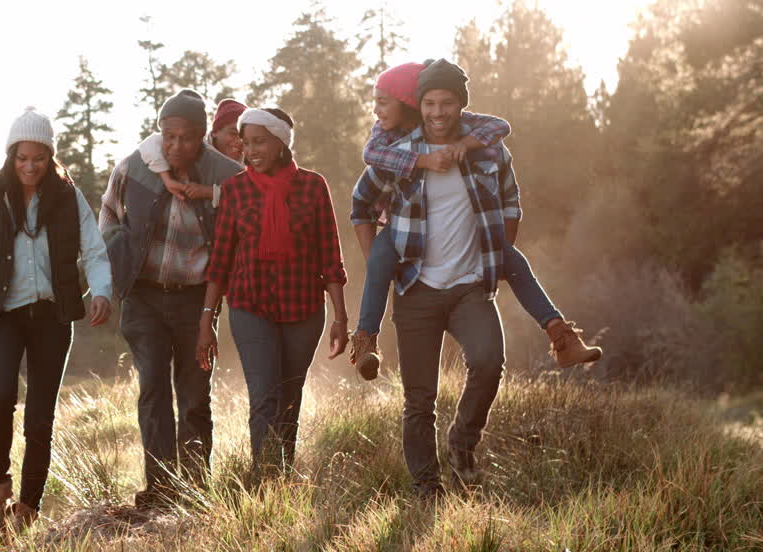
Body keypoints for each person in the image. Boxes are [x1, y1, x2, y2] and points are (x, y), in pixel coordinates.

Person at [347, 60, 602, 381]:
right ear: (419, 103)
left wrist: (464, 144)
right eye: (430, 103)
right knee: (379, 258)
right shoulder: (387, 137)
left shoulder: (465, 129)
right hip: (402, 230)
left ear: (405, 101)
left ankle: (561, 336)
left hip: (467, 247)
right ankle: (365, 339)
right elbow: (371, 158)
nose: (376, 110)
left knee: (515, 262)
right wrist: (423, 160)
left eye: (383, 102)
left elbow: (500, 127)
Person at [348, 61, 517, 497]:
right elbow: (360, 204)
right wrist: (378, 261)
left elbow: (511, 203)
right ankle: (426, 487)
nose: (438, 112)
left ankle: (463, 441)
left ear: (461, 104)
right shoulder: (400, 153)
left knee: (488, 362)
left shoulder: (487, 150)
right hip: (416, 289)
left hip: (470, 287)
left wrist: (495, 257)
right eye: (430, 103)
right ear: (419, 105)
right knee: (419, 399)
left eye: (447, 102)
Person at [0, 106, 113, 532]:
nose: (30, 166)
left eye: (38, 158)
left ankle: (28, 509)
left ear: (50, 156)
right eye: (22, 157)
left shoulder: (68, 196)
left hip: (52, 318)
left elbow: (94, 249)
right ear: (11, 155)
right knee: (0, 399)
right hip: (2, 317)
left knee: (40, 416)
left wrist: (102, 291)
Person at [98, 89, 242, 508]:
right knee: (153, 390)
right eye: (169, 136)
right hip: (143, 297)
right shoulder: (134, 167)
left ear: (203, 137)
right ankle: (160, 491)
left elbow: (241, 226)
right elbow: (108, 212)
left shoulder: (226, 174)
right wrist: (117, 255)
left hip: (196, 300)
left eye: (187, 137)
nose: (176, 145)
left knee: (195, 395)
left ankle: (194, 491)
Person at [197, 108, 349, 476]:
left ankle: (281, 478)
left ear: (281, 142)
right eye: (246, 143)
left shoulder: (313, 186)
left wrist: (340, 317)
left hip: (303, 309)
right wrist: (207, 319)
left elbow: (330, 256)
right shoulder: (235, 190)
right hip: (250, 306)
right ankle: (264, 483)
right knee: (265, 396)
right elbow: (221, 260)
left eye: (260, 142)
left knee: (289, 400)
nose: (251, 151)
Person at [139, 98, 246, 203]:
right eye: (233, 133)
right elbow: (150, 144)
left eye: (245, 137)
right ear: (214, 132)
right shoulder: (196, 145)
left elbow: (247, 196)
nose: (240, 142)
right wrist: (167, 178)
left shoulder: (244, 165)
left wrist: (210, 192)